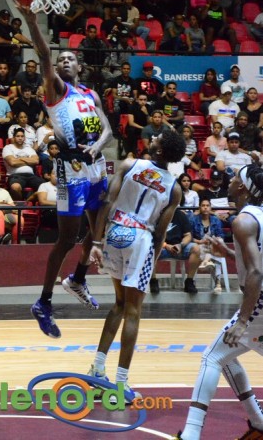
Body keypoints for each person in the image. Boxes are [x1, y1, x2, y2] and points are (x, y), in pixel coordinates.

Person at [20, 7, 112, 339]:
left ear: (80, 66)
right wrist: (32, 22)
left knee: (100, 226)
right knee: (67, 239)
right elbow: (44, 55)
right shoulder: (57, 90)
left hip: (96, 165)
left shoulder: (90, 94)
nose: (64, 62)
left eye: (70, 59)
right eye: (61, 60)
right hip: (70, 171)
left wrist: (98, 145)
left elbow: (107, 130)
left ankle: (78, 279)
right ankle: (43, 302)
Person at [87, 130, 185, 397]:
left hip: (115, 232)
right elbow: (160, 232)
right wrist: (152, 260)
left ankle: (97, 369)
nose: (153, 138)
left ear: (160, 150)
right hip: (140, 239)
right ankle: (121, 384)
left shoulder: (130, 164)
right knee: (133, 311)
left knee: (119, 303)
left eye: (157, 138)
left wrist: (96, 242)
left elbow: (108, 202)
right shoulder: (174, 188)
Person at [175, 163, 263, 440]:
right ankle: (258, 421)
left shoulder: (243, 220)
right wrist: (228, 252)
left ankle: (191, 433)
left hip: (259, 305)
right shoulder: (257, 217)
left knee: (212, 357)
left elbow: (256, 272)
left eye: (236, 177)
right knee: (225, 356)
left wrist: (243, 321)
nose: (231, 181)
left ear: (244, 187)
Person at [149, 204, 201, 294]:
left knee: (196, 248)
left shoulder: (180, 215)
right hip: (161, 247)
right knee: (149, 249)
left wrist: (180, 245)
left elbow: (188, 235)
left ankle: (189, 281)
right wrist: (166, 245)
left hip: (179, 247)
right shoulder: (156, 215)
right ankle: (153, 281)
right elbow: (153, 236)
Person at [191, 198, 226, 294]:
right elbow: (189, 237)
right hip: (199, 246)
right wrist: (200, 241)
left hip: (212, 245)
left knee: (216, 249)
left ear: (210, 208)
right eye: (203, 205)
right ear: (199, 208)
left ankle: (207, 261)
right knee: (213, 253)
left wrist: (213, 240)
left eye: (207, 206)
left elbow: (221, 235)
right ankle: (217, 283)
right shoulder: (193, 219)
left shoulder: (215, 220)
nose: (205, 208)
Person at [2, 127, 43, 200]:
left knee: (44, 187)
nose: (20, 138)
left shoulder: (29, 149)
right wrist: (29, 161)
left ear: (24, 138)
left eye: (22, 136)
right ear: (14, 138)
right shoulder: (8, 148)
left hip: (31, 176)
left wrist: (20, 159)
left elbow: (36, 161)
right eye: (18, 136)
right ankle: (22, 204)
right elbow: (12, 162)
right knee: (15, 187)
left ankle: (29, 200)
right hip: (15, 176)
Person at [0, 9, 22, 75]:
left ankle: (11, 77)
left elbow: (18, 36)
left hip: (8, 55)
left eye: (8, 18)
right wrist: (11, 43)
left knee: (17, 60)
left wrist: (30, 42)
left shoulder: (10, 28)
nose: (6, 19)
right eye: (4, 17)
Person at [124, 92, 151, 156]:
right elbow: (131, 123)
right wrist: (143, 128)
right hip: (135, 127)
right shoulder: (132, 107)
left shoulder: (149, 107)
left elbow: (150, 122)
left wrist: (146, 113)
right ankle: (130, 152)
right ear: (137, 100)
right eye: (141, 100)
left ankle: (149, 151)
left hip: (146, 127)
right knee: (131, 130)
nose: (143, 102)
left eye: (145, 100)